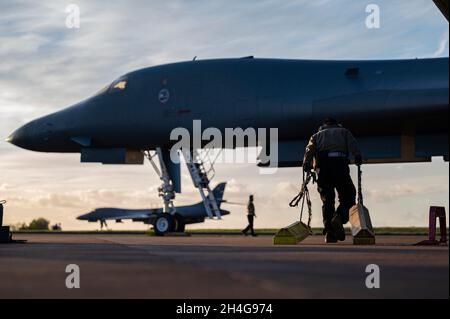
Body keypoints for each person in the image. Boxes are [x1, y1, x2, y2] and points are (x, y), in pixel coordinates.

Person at [303, 118, 362, 243]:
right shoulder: (344, 132)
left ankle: (330, 233)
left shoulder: (316, 136)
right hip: (340, 165)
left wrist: (306, 164)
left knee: (327, 200)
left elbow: (309, 150)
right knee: (348, 194)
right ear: (336, 124)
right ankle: (339, 216)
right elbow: (353, 145)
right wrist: (357, 156)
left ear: (324, 125)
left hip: (323, 169)